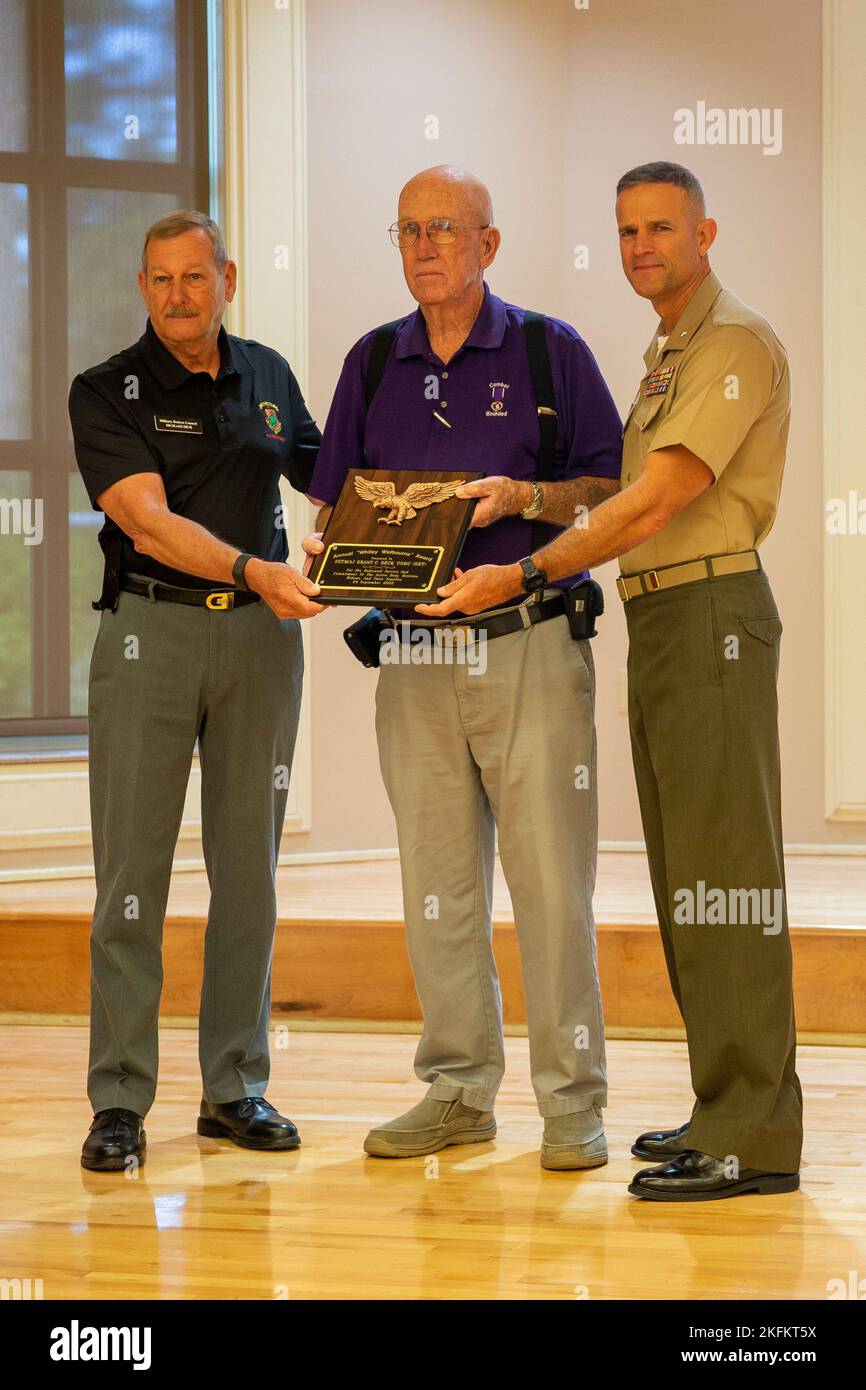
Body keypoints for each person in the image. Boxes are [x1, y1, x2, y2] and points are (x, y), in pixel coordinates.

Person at [425, 162, 802, 1202]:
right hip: (666, 619)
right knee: (691, 876)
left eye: (659, 229)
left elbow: (659, 500)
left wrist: (527, 564)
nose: (640, 247)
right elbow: (617, 492)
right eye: (626, 230)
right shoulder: (664, 356)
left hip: (711, 611)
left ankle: (753, 1135)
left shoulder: (732, 346)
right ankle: (722, 1107)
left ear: (703, 233)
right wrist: (530, 495)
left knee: (729, 878)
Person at [304, 165, 622, 1169]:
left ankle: (571, 1105)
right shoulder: (370, 359)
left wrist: (520, 496)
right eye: (406, 230)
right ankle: (454, 1091)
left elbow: (607, 496)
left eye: (444, 228)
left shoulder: (545, 350)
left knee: (549, 888)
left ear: (488, 244)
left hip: (525, 644)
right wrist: (334, 551)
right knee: (436, 886)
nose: (424, 246)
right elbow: (334, 504)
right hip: (410, 654)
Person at [69, 210, 325, 1171]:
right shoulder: (105, 390)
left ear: (227, 277)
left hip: (261, 644)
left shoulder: (267, 374)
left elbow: (325, 475)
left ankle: (235, 1086)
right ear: (144, 289)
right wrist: (255, 569)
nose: (180, 295)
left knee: (248, 867)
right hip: (153, 635)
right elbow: (146, 519)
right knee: (130, 876)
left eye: (195, 276)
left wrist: (367, 535)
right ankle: (121, 1099)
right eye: (160, 280)